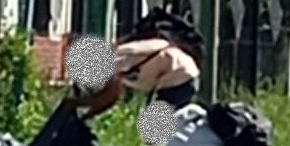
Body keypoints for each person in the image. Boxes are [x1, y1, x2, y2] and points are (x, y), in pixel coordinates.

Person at [64, 35, 201, 120]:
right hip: (182, 72)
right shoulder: (120, 59)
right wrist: (85, 112)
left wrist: (79, 106)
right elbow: (110, 96)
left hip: (178, 76)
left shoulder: (118, 60)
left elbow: (109, 97)